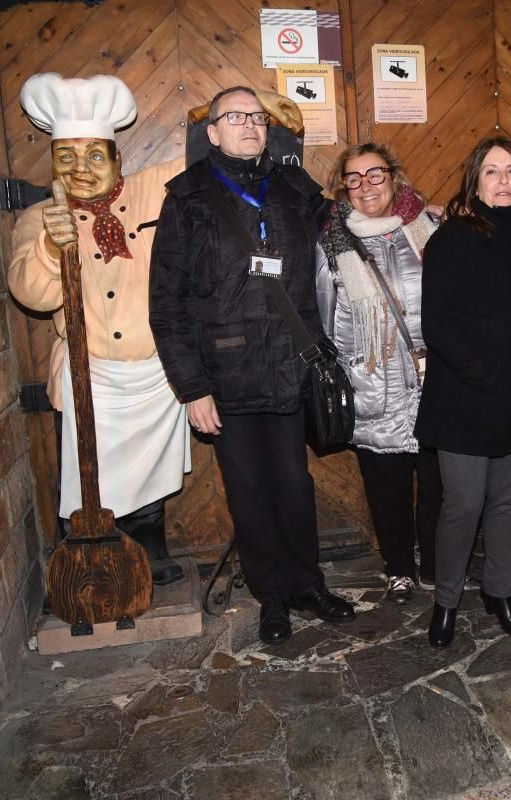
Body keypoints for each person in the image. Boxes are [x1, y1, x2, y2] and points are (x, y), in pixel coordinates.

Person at [149, 85, 355, 646]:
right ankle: (272, 597)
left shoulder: (292, 186)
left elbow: (346, 226)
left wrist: (409, 208)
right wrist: (191, 388)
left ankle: (307, 584)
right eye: (234, 117)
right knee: (249, 490)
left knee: (294, 484)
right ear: (211, 132)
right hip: (226, 374)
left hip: (292, 365)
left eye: (257, 118)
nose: (248, 125)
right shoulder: (187, 197)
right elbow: (166, 305)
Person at [9, 73, 190, 586]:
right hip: (89, 373)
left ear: (116, 159)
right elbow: (30, 291)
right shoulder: (38, 216)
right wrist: (49, 245)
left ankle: (150, 545)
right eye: (66, 157)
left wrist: (243, 112)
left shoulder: (153, 190)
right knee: (84, 468)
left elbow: (206, 156)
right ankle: (85, 553)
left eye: (94, 156)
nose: (81, 169)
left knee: (150, 470)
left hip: (154, 372)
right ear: (52, 164)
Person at [416, 136, 511, 648]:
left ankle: (499, 592)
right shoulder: (456, 237)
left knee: (509, 503)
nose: (503, 181)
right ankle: (445, 601)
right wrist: (486, 376)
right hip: (466, 396)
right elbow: (439, 325)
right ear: (475, 183)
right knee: (463, 505)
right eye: (491, 172)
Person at [315, 143, 441, 604]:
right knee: (386, 487)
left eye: (376, 174)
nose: (366, 185)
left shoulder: (431, 227)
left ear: (395, 177)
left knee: (437, 482)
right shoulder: (332, 244)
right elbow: (324, 317)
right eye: (354, 178)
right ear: (342, 187)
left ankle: (435, 563)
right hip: (373, 380)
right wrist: (348, 372)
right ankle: (399, 569)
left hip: (435, 380)